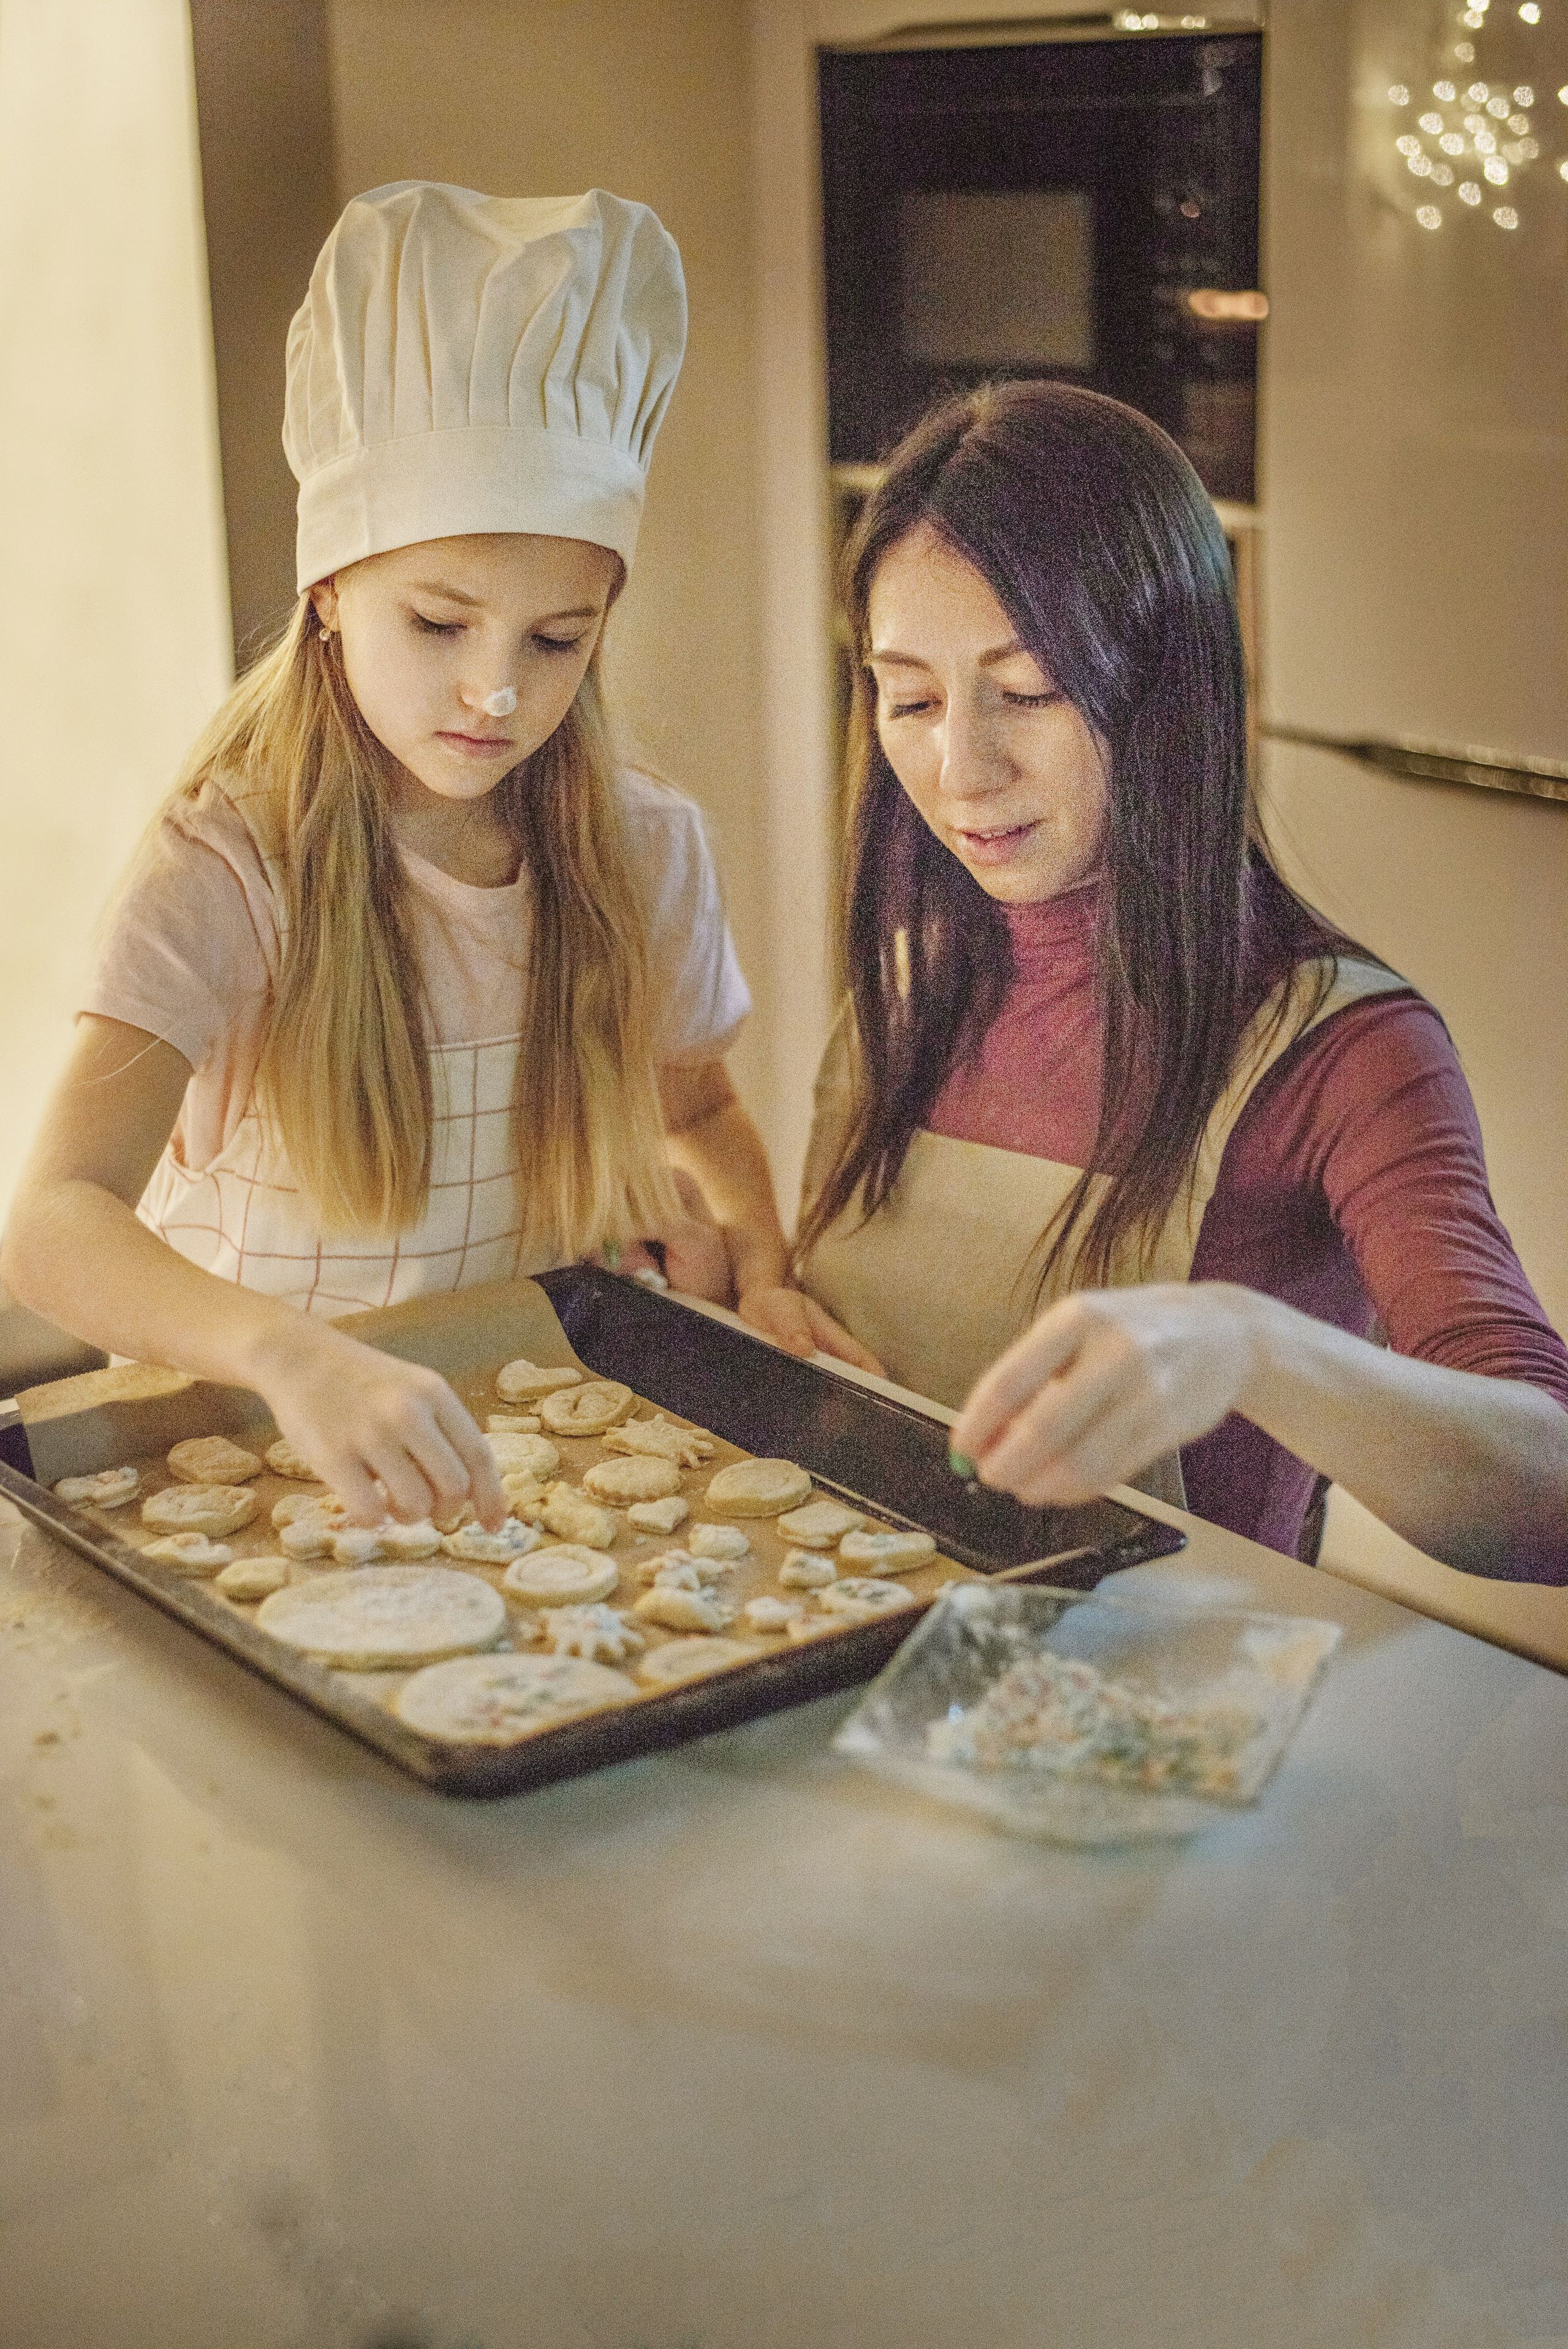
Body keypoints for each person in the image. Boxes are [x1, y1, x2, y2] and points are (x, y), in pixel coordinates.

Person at [1, 180, 864, 1534]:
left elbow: (696, 1115)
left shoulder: (642, 849)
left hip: (516, 1469)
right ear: (330, 593)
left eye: (556, 640)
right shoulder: (232, 868)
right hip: (240, 1474)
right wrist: (296, 1357)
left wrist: (758, 1270)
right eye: (439, 623)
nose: (495, 694)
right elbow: (55, 1219)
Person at [767, 381, 1568, 1581]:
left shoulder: (1345, 1053)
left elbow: (1551, 1495)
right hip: (859, 1637)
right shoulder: (911, 980)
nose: (960, 769)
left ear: (1164, 683)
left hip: (1155, 1679)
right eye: (912, 699)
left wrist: (1248, 1345)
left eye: (1028, 691)